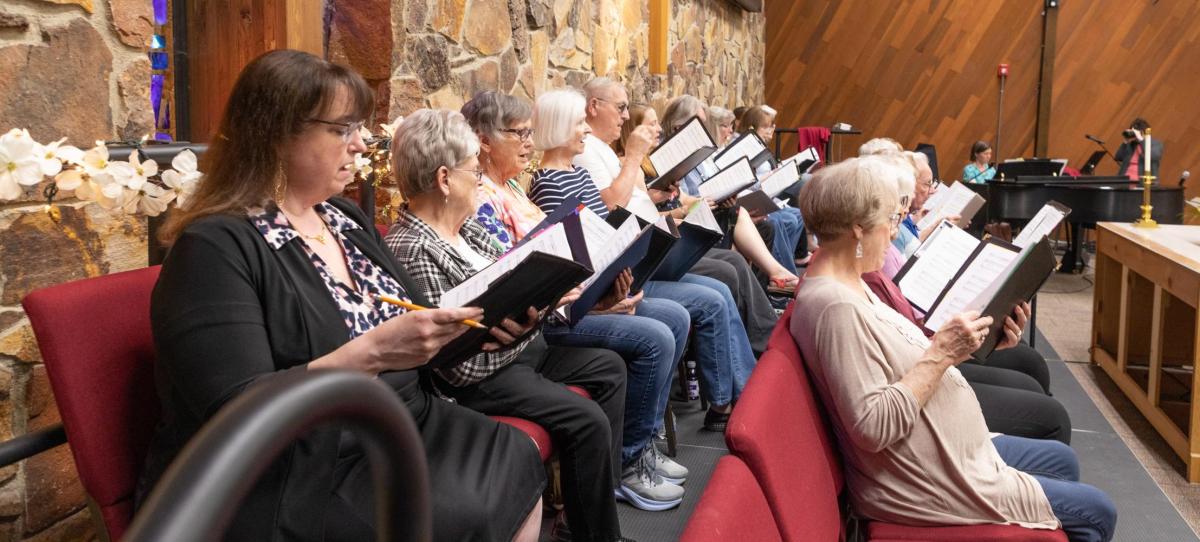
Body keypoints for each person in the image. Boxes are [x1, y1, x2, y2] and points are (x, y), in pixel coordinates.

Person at [142, 50, 547, 542]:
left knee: (515, 451)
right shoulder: (215, 247)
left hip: (401, 421)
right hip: (305, 462)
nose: (360, 144)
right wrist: (370, 353)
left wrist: (493, 328)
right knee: (461, 509)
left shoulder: (342, 219)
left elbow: (422, 314)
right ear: (275, 133)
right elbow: (238, 410)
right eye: (341, 129)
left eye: (360, 128)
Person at [792, 157, 1116, 542]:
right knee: (1098, 511)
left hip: (945, 453)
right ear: (858, 231)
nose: (895, 234)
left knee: (1061, 460)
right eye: (891, 222)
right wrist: (942, 353)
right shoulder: (836, 308)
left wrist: (975, 339)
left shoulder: (848, 282)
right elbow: (872, 427)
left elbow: (896, 359)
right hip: (920, 480)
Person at [460, 91, 690, 511]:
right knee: (654, 337)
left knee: (671, 319)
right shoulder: (484, 197)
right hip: (545, 316)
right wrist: (590, 297)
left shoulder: (512, 185)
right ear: (484, 141)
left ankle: (638, 449)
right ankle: (629, 461)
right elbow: (514, 273)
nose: (528, 142)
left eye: (530, 132)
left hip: (569, 299)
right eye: (519, 133)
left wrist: (603, 287)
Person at [528, 88, 758, 432]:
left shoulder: (576, 173)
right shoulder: (548, 182)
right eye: (579, 124)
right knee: (686, 314)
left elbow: (606, 224)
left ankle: (732, 398)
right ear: (560, 126)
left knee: (713, 291)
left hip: (618, 273)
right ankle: (643, 443)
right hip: (596, 289)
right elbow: (586, 242)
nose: (586, 130)